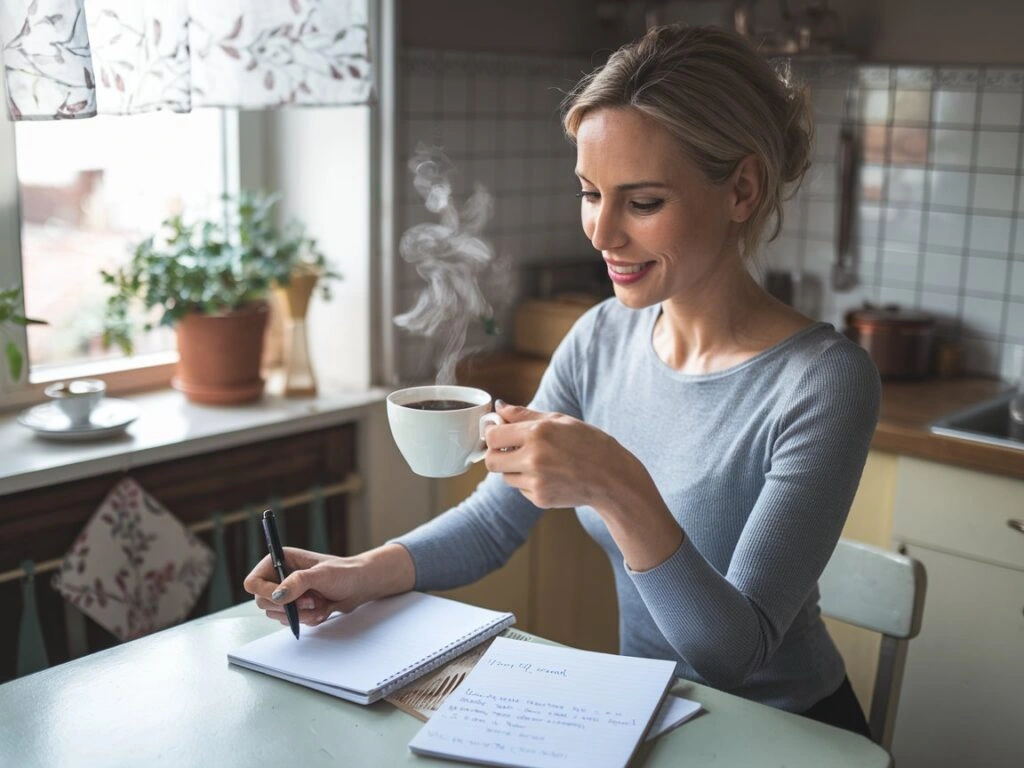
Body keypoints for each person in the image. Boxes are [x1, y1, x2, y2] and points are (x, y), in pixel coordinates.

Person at [245, 24, 880, 738]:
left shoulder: (824, 382)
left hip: (790, 737)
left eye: (641, 203)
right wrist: (360, 573)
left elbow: (731, 656)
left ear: (741, 188)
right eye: (589, 193)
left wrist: (617, 484)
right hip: (654, 723)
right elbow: (494, 521)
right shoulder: (602, 336)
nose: (602, 232)